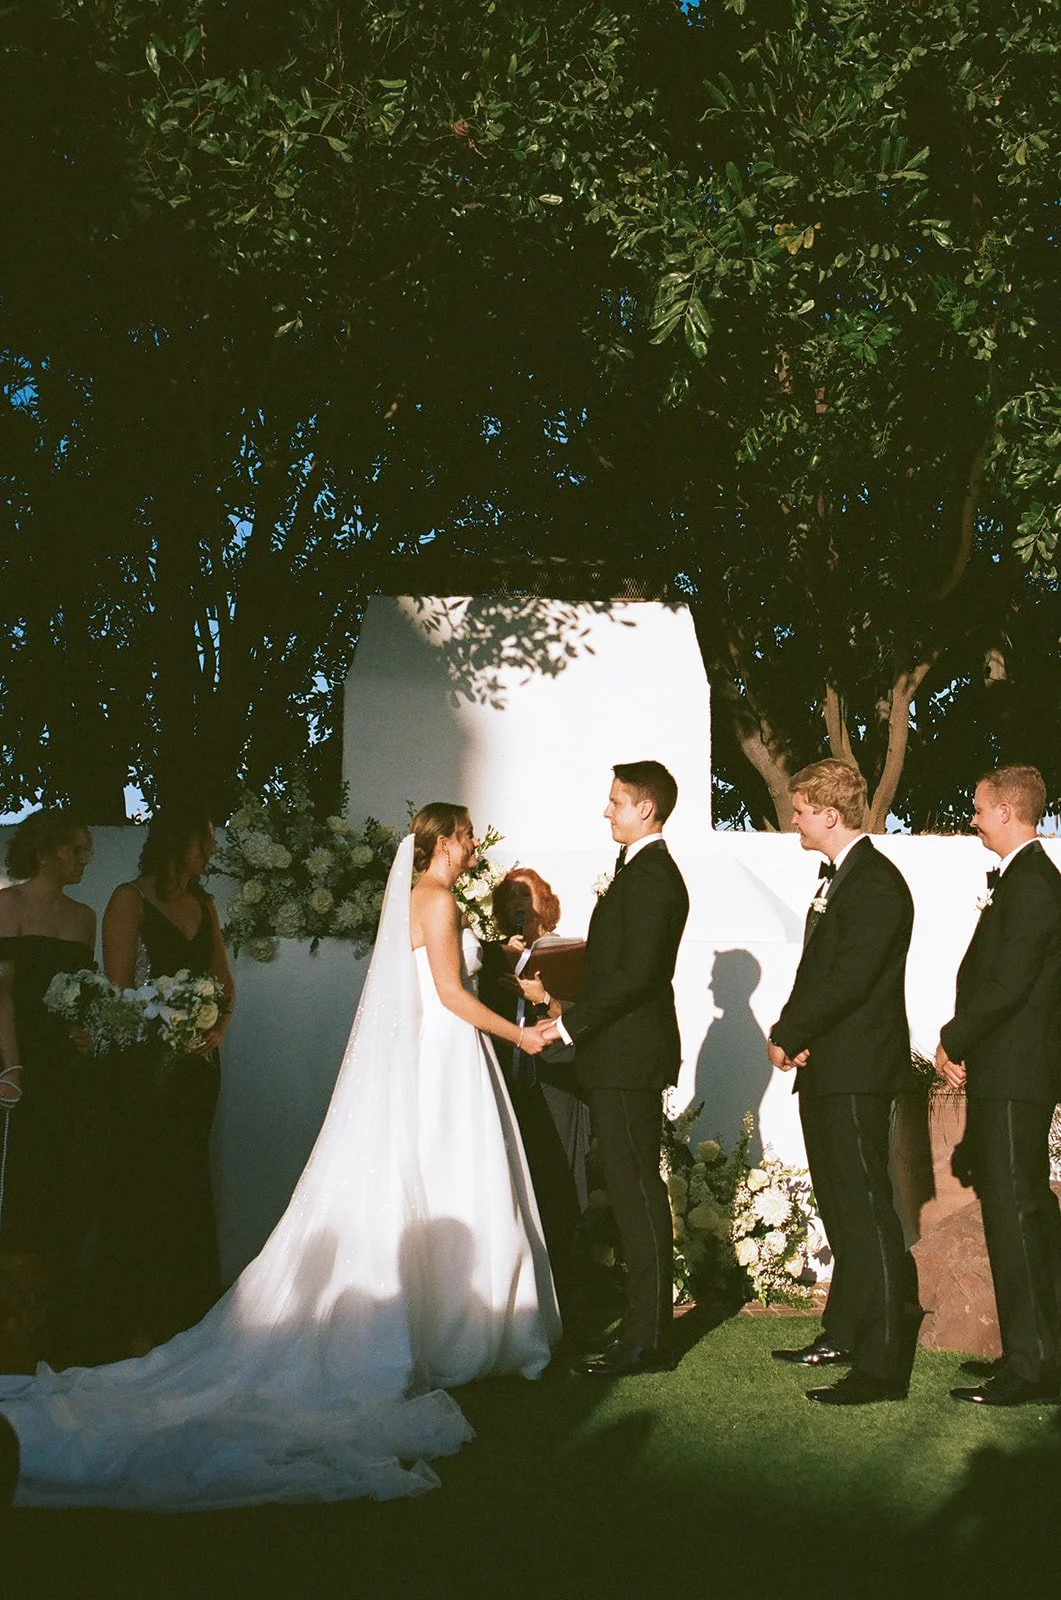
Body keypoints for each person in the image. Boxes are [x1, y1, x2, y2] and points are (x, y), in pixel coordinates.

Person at [0, 804, 559, 1509]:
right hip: (445, 1056)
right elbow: (448, 993)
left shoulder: (418, 899)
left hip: (431, 1060)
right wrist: (522, 1036)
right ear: (445, 841)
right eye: (466, 832)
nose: (474, 842)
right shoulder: (437, 898)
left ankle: (446, 1318)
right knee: (455, 1182)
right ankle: (462, 1326)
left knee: (444, 1182)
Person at [768, 759, 920, 1405]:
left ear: (830, 814)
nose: (793, 818)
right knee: (840, 1208)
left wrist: (787, 1028)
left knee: (866, 1210)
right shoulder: (842, 880)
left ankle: (882, 1366)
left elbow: (849, 980)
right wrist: (799, 1035)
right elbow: (821, 971)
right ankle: (841, 1330)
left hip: (857, 1069)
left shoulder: (876, 885)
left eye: (801, 809)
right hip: (828, 1066)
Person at [536, 761, 689, 1376]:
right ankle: (642, 1329)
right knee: (630, 1190)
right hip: (616, 1055)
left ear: (645, 809)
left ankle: (647, 1339)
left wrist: (569, 1024)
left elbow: (636, 976)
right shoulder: (636, 873)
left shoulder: (653, 878)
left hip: (628, 1060)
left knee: (634, 1191)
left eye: (616, 802)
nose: (607, 812)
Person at [937, 765, 1061, 1407]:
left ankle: (1035, 1366)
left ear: (1008, 811)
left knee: (1016, 1213)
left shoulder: (1035, 883)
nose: (975, 818)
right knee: (1015, 1211)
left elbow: (1010, 983)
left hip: (1018, 1075)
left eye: (981, 809)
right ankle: (1032, 1354)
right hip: (1005, 1073)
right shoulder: (1025, 881)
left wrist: (954, 1038)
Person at [94, 805, 234, 1356]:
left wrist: (216, 1028)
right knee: (141, 1185)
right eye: (206, 841)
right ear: (179, 844)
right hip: (143, 1074)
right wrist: (164, 1027)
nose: (213, 852)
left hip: (197, 1072)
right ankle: (135, 1319)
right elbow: (119, 989)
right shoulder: (129, 900)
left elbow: (223, 980)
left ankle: (186, 1315)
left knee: (186, 1183)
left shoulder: (205, 904)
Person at [0, 810, 102, 1363]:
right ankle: (11, 1320)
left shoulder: (84, 918)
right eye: (76, 850)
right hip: (16, 1063)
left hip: (67, 1070)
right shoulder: (7, 907)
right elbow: (2, 993)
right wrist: (12, 1067)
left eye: (86, 850)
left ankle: (53, 1320)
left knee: (67, 1181)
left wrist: (84, 1032)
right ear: (45, 854)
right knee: (20, 1184)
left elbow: (83, 995)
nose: (85, 859)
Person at [478, 869, 590, 1311]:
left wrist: (545, 998)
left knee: (562, 1192)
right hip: (508, 1085)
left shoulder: (570, 951)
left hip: (557, 1085)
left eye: (527, 895)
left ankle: (569, 1297)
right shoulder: (491, 956)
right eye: (509, 898)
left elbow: (586, 1016)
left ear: (546, 901)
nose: (517, 904)